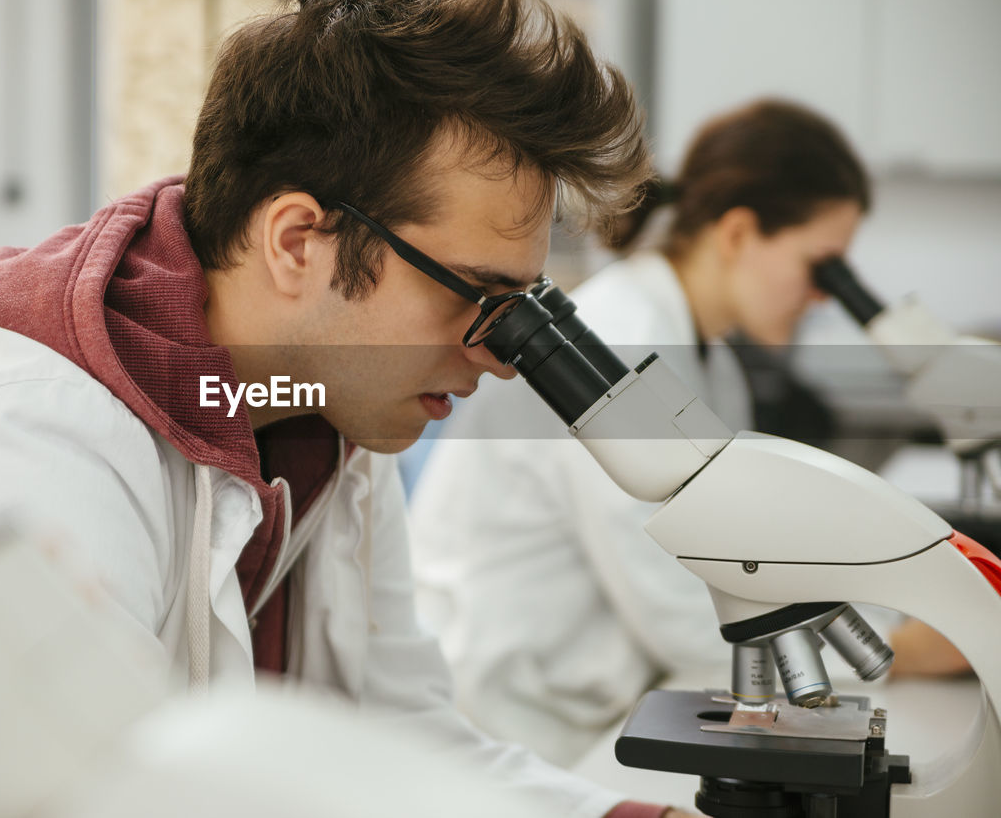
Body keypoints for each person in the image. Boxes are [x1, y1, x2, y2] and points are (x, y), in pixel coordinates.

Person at [0, 0, 704, 817]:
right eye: (475, 296)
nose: (499, 357)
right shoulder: (34, 443)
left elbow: (397, 735)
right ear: (295, 242)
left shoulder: (319, 418)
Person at [408, 98, 970, 769]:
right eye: (822, 266)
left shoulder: (713, 358)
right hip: (514, 724)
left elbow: (736, 548)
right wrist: (902, 647)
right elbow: (677, 605)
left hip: (594, 703)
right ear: (737, 233)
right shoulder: (621, 338)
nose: (825, 297)